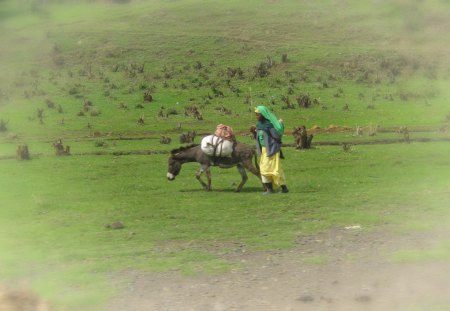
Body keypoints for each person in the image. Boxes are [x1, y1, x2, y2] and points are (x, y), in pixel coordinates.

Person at [253, 105, 289, 194]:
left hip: (272, 150)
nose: (257, 116)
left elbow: (276, 136)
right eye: (256, 114)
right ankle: (274, 189)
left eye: (258, 114)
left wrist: (274, 144)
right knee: (265, 169)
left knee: (273, 169)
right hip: (264, 150)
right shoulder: (259, 125)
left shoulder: (269, 125)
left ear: (263, 115)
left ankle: (277, 189)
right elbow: (259, 137)